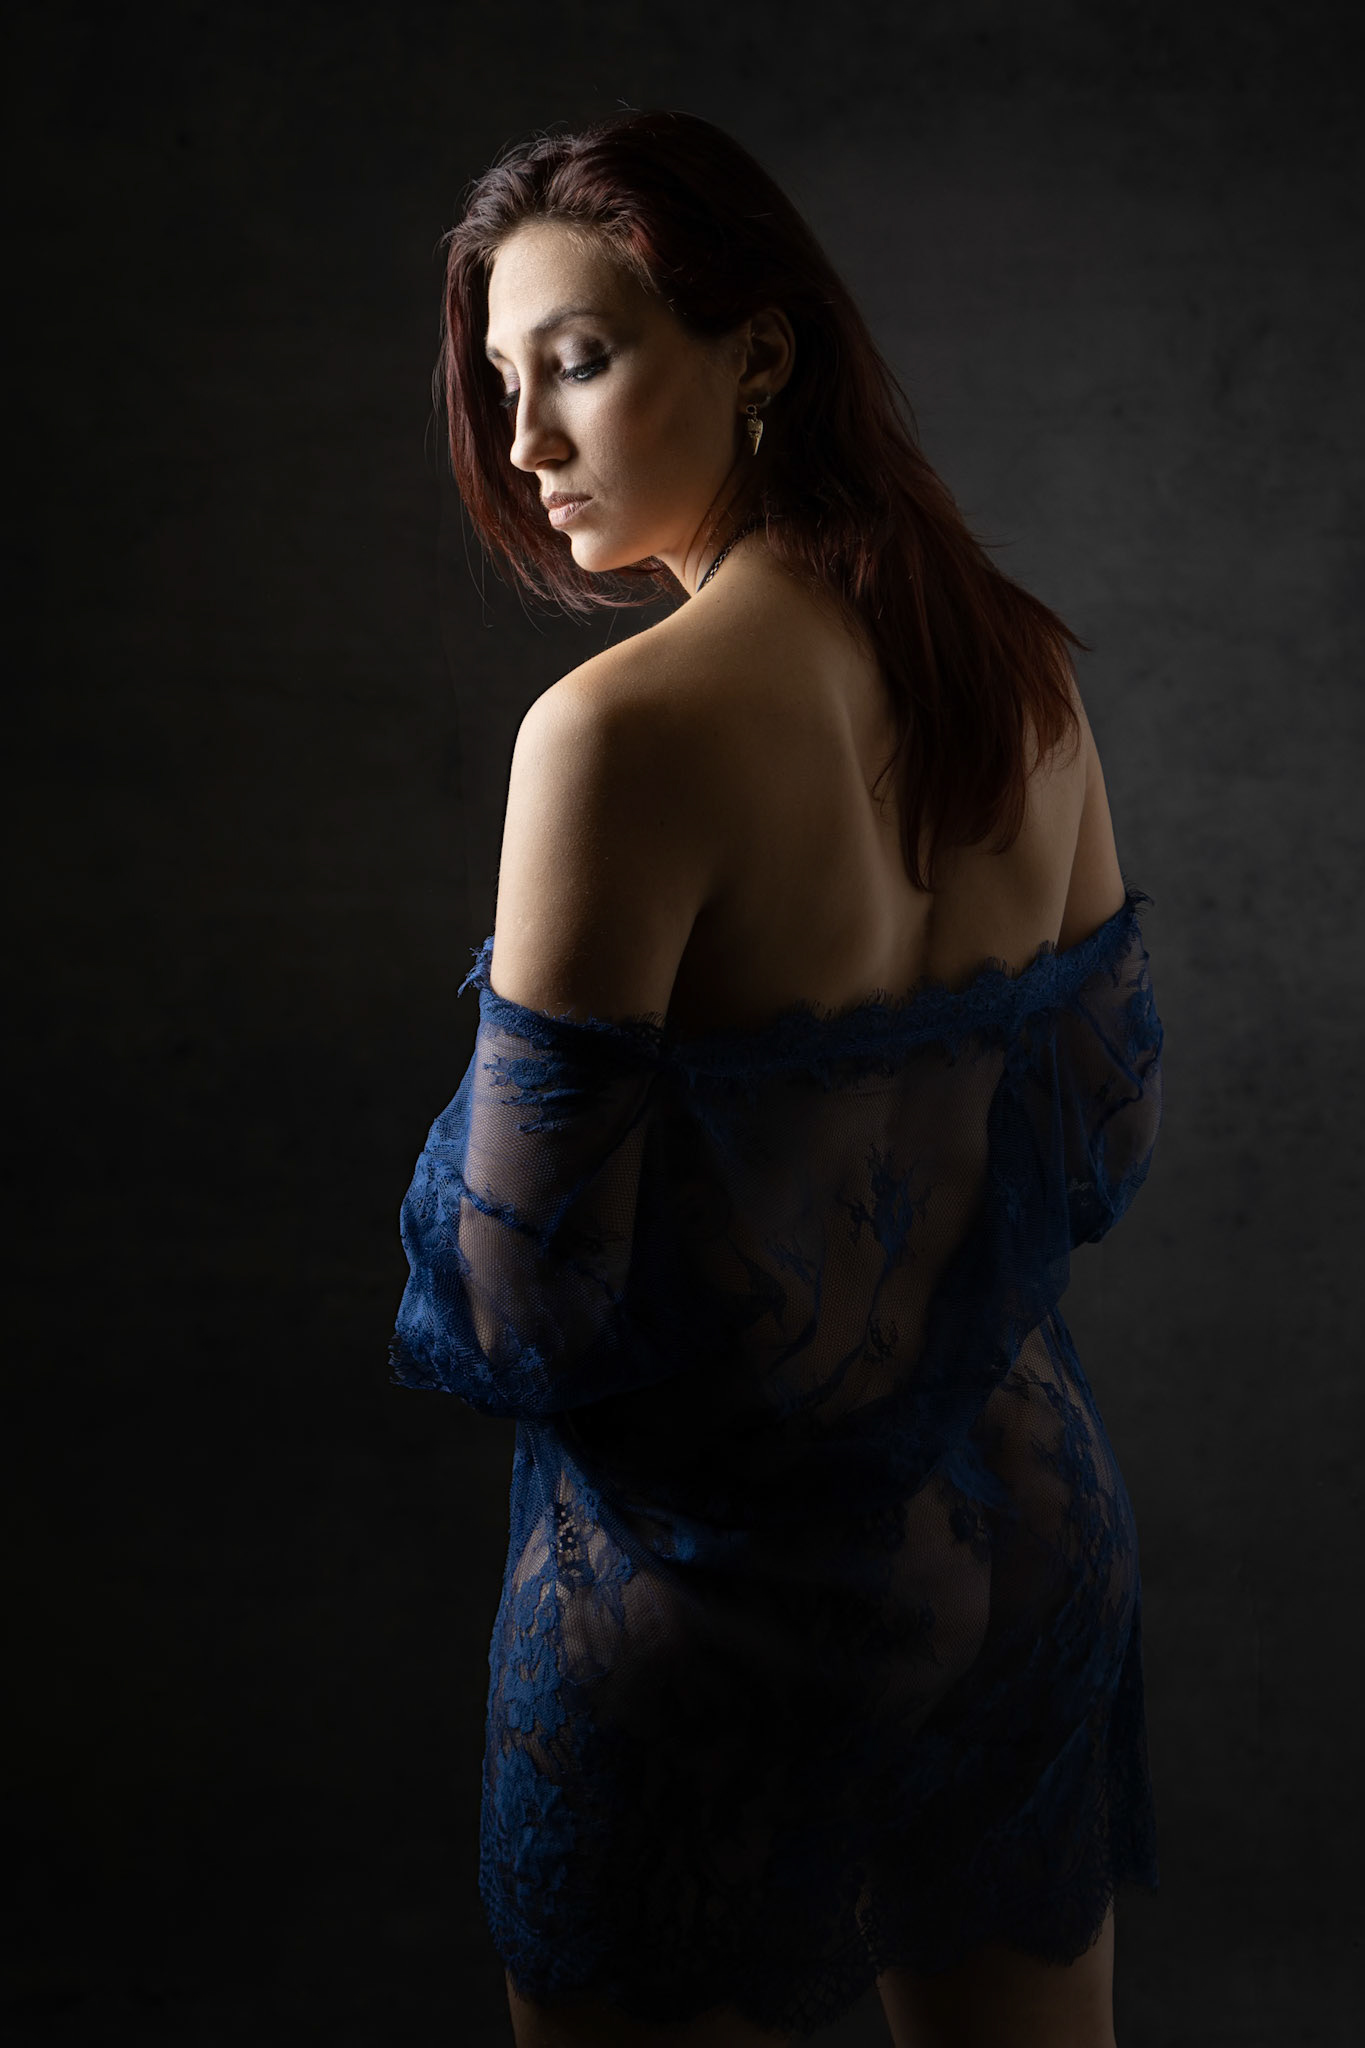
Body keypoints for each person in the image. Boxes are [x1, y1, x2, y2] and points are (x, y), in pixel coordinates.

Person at [390, 108, 1165, 2048]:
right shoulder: (1021, 669)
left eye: (576, 361)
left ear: (759, 353)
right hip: (1018, 1537)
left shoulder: (613, 733)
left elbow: (518, 1291)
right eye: (500, 384)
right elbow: (1098, 1141)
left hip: (707, 1602)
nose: (523, 443)